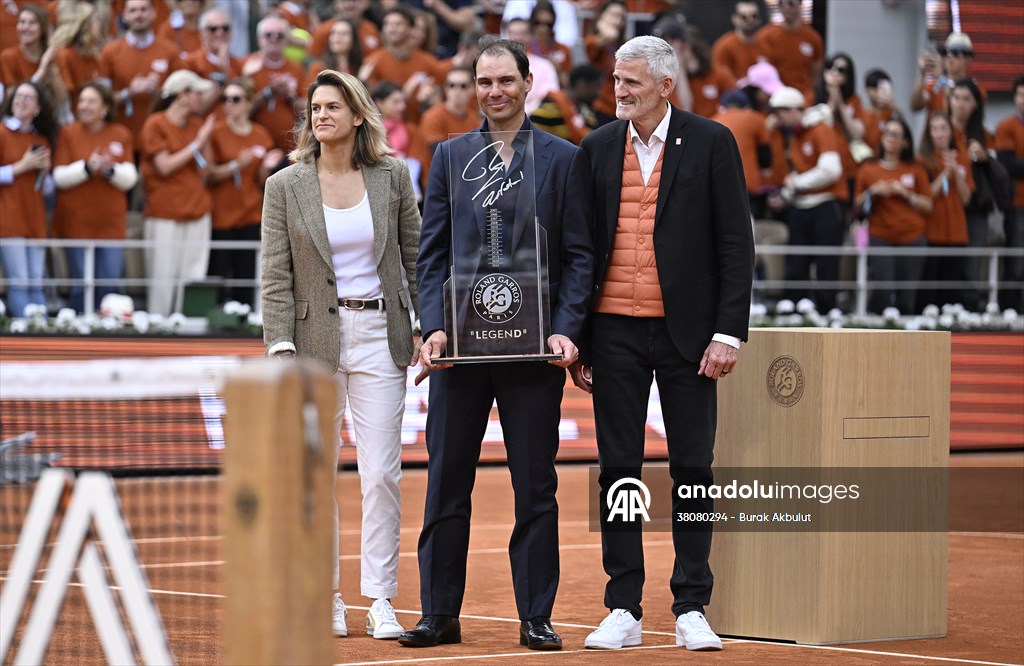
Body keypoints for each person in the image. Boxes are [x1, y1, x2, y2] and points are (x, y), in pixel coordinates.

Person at [400, 38, 593, 651]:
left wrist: (567, 327)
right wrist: (432, 326)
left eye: (506, 80)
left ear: (528, 82)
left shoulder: (564, 159)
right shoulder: (449, 157)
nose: (495, 92)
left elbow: (581, 255)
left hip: (533, 354)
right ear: (474, 87)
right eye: (485, 82)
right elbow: (429, 257)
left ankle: (535, 615)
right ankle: (439, 614)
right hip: (458, 352)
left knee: (535, 486)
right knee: (446, 483)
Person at [571, 34, 753, 653]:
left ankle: (691, 605)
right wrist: (579, 337)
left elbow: (736, 243)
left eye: (632, 83)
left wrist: (728, 331)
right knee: (619, 470)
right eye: (616, 81)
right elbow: (580, 249)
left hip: (691, 335)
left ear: (666, 86)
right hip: (613, 332)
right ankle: (623, 605)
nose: (619, 91)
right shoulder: (594, 149)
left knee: (693, 468)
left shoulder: (712, 142)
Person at [261, 68, 421, 642]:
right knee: (314, 476)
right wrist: (280, 347)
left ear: (358, 116)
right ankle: (324, 595)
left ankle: (379, 598)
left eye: (333, 106)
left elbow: (415, 255)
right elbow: (275, 276)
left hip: (382, 334)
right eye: (314, 108)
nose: (320, 115)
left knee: (381, 475)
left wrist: (427, 328)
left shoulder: (393, 176)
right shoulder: (284, 185)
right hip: (310, 345)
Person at [52, 83, 138, 313]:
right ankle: (78, 335)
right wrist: (87, 169)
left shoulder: (121, 133)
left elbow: (130, 178)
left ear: (105, 107)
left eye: (91, 101)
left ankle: (109, 336)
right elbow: (58, 177)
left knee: (109, 284)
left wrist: (110, 170)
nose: (84, 106)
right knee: (80, 285)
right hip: (77, 222)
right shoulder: (68, 132)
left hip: (110, 224)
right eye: (81, 101)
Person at [140, 69, 215, 316]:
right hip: (165, 212)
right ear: (182, 94)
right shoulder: (156, 123)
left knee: (192, 276)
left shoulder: (196, 124)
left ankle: (189, 329)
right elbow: (164, 167)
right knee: (162, 278)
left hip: (197, 209)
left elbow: (206, 171)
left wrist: (203, 141)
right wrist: (197, 142)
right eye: (197, 92)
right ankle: (159, 332)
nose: (201, 98)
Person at [768, 85, 846, 311]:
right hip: (801, 205)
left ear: (794, 110)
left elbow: (831, 170)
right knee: (797, 258)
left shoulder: (821, 129)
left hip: (826, 204)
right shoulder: (795, 135)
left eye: (780, 112)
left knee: (826, 261)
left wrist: (797, 184)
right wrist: (786, 193)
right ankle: (794, 304)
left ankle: (825, 309)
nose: (777, 118)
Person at [206, 78, 280, 306]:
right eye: (225, 99)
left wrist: (267, 168)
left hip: (250, 211)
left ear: (248, 103)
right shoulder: (216, 131)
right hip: (222, 213)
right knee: (218, 270)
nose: (229, 104)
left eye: (235, 99)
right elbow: (208, 174)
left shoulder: (260, 134)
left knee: (245, 272)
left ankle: (243, 320)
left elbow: (261, 181)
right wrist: (234, 165)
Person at [854, 117, 933, 313]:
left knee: (907, 295)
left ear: (905, 142)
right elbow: (856, 206)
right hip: (880, 235)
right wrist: (872, 192)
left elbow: (928, 204)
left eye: (896, 135)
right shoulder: (867, 168)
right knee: (883, 288)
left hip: (912, 236)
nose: (890, 138)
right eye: (887, 132)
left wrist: (906, 194)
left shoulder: (915, 168)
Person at [0, 80, 55, 317]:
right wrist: (21, 167)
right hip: (9, 218)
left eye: (28, 97)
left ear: (37, 108)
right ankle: (25, 330)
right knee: (20, 279)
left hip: (35, 218)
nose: (21, 101)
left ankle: (39, 328)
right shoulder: (2, 132)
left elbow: (47, 189)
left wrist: (44, 172)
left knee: (36, 279)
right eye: (18, 96)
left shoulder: (41, 140)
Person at [97, 0, 181, 147]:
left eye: (143, 10)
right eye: (133, 11)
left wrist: (158, 92)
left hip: (161, 136)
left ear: (153, 13)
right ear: (124, 16)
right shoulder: (109, 52)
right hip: (122, 134)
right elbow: (101, 99)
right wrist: (129, 92)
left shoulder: (170, 51)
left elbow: (181, 96)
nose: (139, 15)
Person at [918, 111, 973, 309]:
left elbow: (967, 197)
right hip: (932, 231)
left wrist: (956, 171)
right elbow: (927, 195)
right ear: (929, 134)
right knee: (930, 288)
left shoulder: (962, 158)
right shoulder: (923, 160)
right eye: (935, 129)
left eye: (943, 128)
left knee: (951, 288)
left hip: (957, 232)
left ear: (951, 132)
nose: (940, 134)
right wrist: (945, 173)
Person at [243, 14, 304, 152]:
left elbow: (307, 109)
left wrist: (289, 97)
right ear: (259, 39)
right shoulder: (248, 66)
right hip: (255, 148)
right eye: (268, 35)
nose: (274, 39)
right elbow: (240, 111)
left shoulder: (296, 68)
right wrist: (268, 92)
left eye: (280, 35)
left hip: (291, 147)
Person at [755, 0, 822, 106]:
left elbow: (816, 73)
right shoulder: (765, 36)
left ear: (800, 4)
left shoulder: (813, 38)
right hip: (775, 96)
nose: (786, 8)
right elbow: (762, 71)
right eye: (782, 3)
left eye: (791, 3)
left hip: (803, 97)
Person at [995, 76, 1024, 309]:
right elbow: (1008, 164)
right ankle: (1010, 310)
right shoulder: (1006, 127)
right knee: (1015, 259)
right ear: (1015, 98)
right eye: (1021, 95)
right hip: (1017, 203)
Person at [910, 32, 984, 115]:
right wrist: (922, 74)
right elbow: (915, 106)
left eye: (956, 53)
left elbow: (963, 115)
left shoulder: (975, 90)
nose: (950, 56)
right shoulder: (935, 86)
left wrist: (944, 85)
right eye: (946, 52)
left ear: (968, 59)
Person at [529, 62, 601, 145]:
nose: (598, 93)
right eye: (596, 87)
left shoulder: (587, 114)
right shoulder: (549, 110)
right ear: (582, 85)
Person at [585, 0, 627, 124]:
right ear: (602, 15)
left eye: (621, 17)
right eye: (614, 15)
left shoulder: (623, 43)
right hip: (600, 105)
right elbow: (610, 35)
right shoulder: (592, 41)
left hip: (620, 104)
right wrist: (602, 26)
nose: (618, 20)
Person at [711, 0, 766, 82]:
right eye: (744, 17)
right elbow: (717, 77)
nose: (750, 20)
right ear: (734, 19)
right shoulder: (724, 46)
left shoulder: (765, 45)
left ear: (759, 19)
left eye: (754, 16)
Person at [303, 17, 363, 88]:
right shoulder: (318, 68)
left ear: (353, 40)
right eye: (333, 33)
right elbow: (307, 97)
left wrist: (362, 80)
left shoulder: (359, 67)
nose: (337, 37)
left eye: (344, 33)